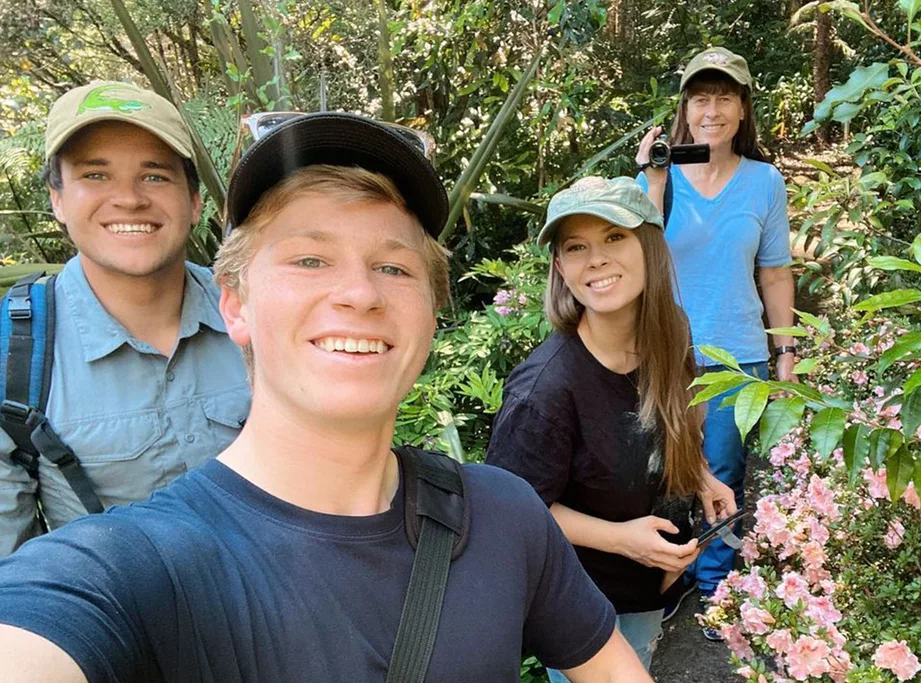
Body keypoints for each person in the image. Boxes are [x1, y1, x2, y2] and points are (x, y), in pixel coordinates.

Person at [0, 112, 655, 683]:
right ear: (235, 304)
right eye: (310, 259)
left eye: (394, 266)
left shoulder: (505, 518)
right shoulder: (135, 566)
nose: (360, 293)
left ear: (431, 313)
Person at [486, 176, 737, 679]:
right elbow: (512, 511)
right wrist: (622, 539)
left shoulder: (673, 333)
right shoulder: (546, 389)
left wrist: (699, 475)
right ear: (560, 267)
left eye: (614, 237)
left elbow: (667, 426)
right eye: (576, 247)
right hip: (584, 606)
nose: (596, 259)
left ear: (650, 244)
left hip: (652, 583)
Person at [0, 81, 250, 557]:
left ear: (194, 201)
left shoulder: (263, 314)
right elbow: (12, 585)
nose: (129, 199)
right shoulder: (16, 352)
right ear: (58, 200)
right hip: (113, 624)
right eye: (96, 175)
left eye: (155, 176)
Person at [635, 47, 797, 638]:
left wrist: (786, 356)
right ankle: (667, 578)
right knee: (661, 470)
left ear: (743, 106)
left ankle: (716, 588)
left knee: (724, 470)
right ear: (685, 107)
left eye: (725, 96)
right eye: (701, 97)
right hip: (663, 353)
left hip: (739, 355)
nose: (712, 109)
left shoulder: (764, 182)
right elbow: (637, 257)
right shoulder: (657, 176)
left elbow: (776, 273)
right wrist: (653, 180)